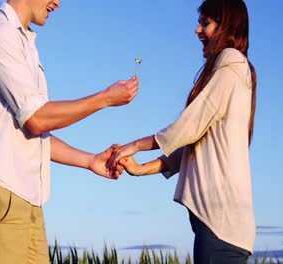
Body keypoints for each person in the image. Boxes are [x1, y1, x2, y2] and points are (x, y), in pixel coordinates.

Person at [0, 0, 139, 263]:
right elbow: (38, 119)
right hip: (2, 187)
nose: (58, 2)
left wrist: (90, 161)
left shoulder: (23, 43)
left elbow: (33, 132)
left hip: (25, 194)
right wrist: (105, 99)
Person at [108, 0, 257, 263]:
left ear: (226, 27)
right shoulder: (232, 69)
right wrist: (142, 168)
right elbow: (194, 144)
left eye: (206, 23)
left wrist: (134, 145)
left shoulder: (231, 63)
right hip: (221, 227)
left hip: (220, 227)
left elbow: (188, 127)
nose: (197, 30)